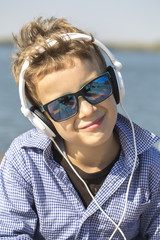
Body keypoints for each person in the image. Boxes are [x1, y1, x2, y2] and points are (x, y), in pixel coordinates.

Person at [0, 17, 160, 240]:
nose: (87, 110)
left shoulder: (151, 165)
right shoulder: (24, 161)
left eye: (95, 88)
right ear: (42, 119)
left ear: (115, 85)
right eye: (63, 104)